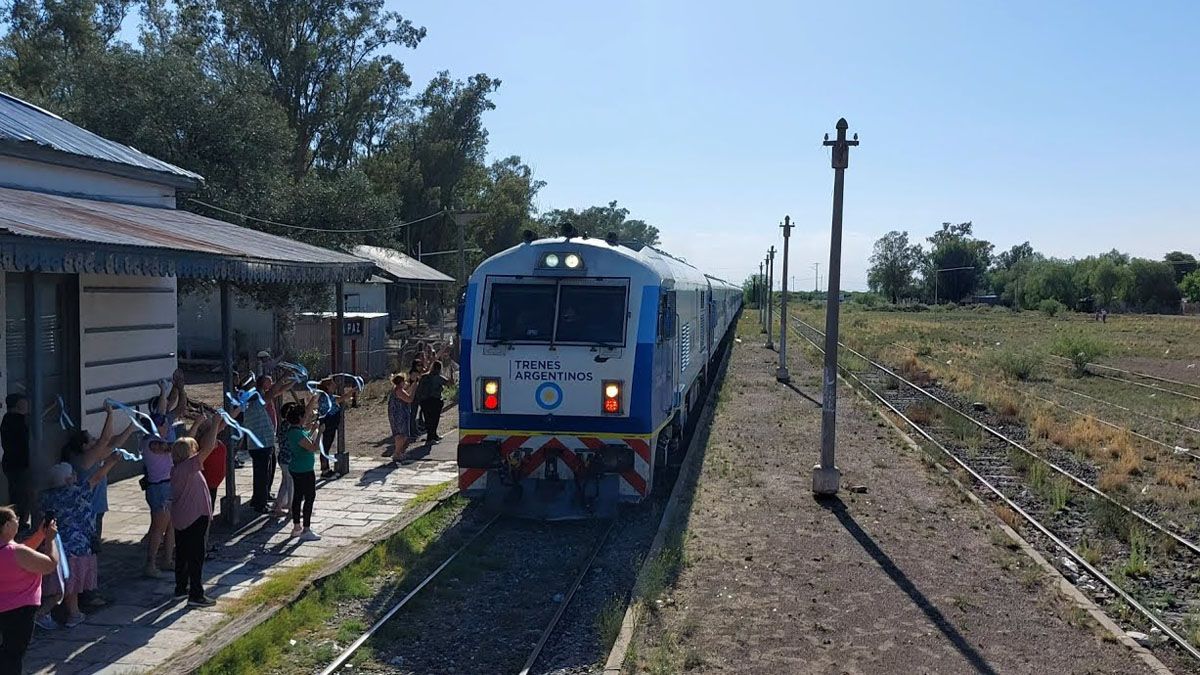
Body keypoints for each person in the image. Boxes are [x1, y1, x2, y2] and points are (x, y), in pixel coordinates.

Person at [62, 403, 135, 608]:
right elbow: (105, 439)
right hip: (89, 514)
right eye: (91, 440)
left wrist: (131, 427)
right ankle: (89, 593)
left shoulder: (87, 457)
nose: (96, 442)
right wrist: (110, 414)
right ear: (84, 446)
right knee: (90, 553)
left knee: (92, 552)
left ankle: (88, 590)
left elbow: (114, 443)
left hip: (94, 511)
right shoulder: (84, 459)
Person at [38, 456, 124, 627]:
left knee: (66, 584)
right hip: (77, 546)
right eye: (73, 474)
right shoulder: (77, 492)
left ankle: (74, 613)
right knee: (69, 585)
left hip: (55, 546)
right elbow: (97, 477)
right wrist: (112, 461)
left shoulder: (46, 497)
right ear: (68, 479)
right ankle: (43, 613)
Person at [170, 417, 224, 607]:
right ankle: (196, 594)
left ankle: (180, 588)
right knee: (196, 556)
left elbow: (187, 443)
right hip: (194, 517)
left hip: (181, 517)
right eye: (194, 449)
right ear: (189, 453)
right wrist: (215, 424)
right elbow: (207, 448)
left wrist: (198, 426)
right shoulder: (189, 467)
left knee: (182, 554)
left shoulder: (177, 467)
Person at [0, 506, 58, 673]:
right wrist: (50, 540)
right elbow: (50, 564)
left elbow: (23, 551)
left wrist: (40, 534)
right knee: (12, 656)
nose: (18, 521)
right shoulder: (17, 552)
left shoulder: (12, 551)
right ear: (6, 526)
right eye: (15, 519)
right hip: (19, 611)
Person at [243, 374, 292, 514]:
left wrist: (292, 381)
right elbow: (272, 392)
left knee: (263, 474)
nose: (270, 385)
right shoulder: (256, 404)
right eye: (268, 382)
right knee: (262, 476)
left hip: (262, 444)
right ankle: (260, 504)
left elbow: (276, 391)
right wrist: (283, 377)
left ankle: (258, 499)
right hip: (261, 445)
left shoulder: (254, 403)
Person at [283, 402, 322, 541]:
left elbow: (305, 441)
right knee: (309, 497)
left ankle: (296, 527)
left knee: (298, 496)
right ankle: (306, 528)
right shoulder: (297, 433)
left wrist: (313, 430)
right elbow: (313, 447)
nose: (306, 418)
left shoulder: (294, 431)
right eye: (304, 416)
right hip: (304, 470)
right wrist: (320, 432)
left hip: (297, 468)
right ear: (299, 417)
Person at [142, 427, 176, 578]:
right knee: (158, 528)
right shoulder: (151, 442)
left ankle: (167, 560)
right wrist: (195, 427)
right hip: (159, 488)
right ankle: (150, 564)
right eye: (164, 425)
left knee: (171, 525)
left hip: (167, 485)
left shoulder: (159, 440)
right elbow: (175, 448)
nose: (167, 428)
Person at [1, 394, 33, 530]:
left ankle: (18, 522)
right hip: (19, 464)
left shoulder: (7, 419)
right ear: (18, 405)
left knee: (17, 494)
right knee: (21, 496)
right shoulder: (18, 421)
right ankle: (19, 524)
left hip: (11, 463)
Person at [315, 378, 350, 479]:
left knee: (327, 446)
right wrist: (353, 390)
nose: (335, 386)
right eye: (332, 384)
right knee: (325, 447)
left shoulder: (329, 396)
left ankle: (326, 469)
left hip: (331, 424)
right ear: (327, 386)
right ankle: (325, 471)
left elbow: (342, 397)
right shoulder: (325, 397)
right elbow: (341, 399)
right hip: (328, 424)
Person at [415, 361, 454, 444]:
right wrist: (451, 375)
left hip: (424, 401)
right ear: (440, 368)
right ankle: (430, 438)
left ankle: (433, 435)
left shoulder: (424, 377)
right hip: (435, 400)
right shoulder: (439, 377)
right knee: (434, 420)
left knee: (427, 419)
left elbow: (419, 389)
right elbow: (450, 384)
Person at [388, 374, 414, 462]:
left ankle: (399, 453)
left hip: (401, 414)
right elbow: (409, 399)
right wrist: (414, 388)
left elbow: (406, 392)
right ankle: (397, 453)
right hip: (398, 415)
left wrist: (412, 385)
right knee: (401, 434)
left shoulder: (399, 390)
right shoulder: (398, 390)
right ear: (401, 382)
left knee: (403, 434)